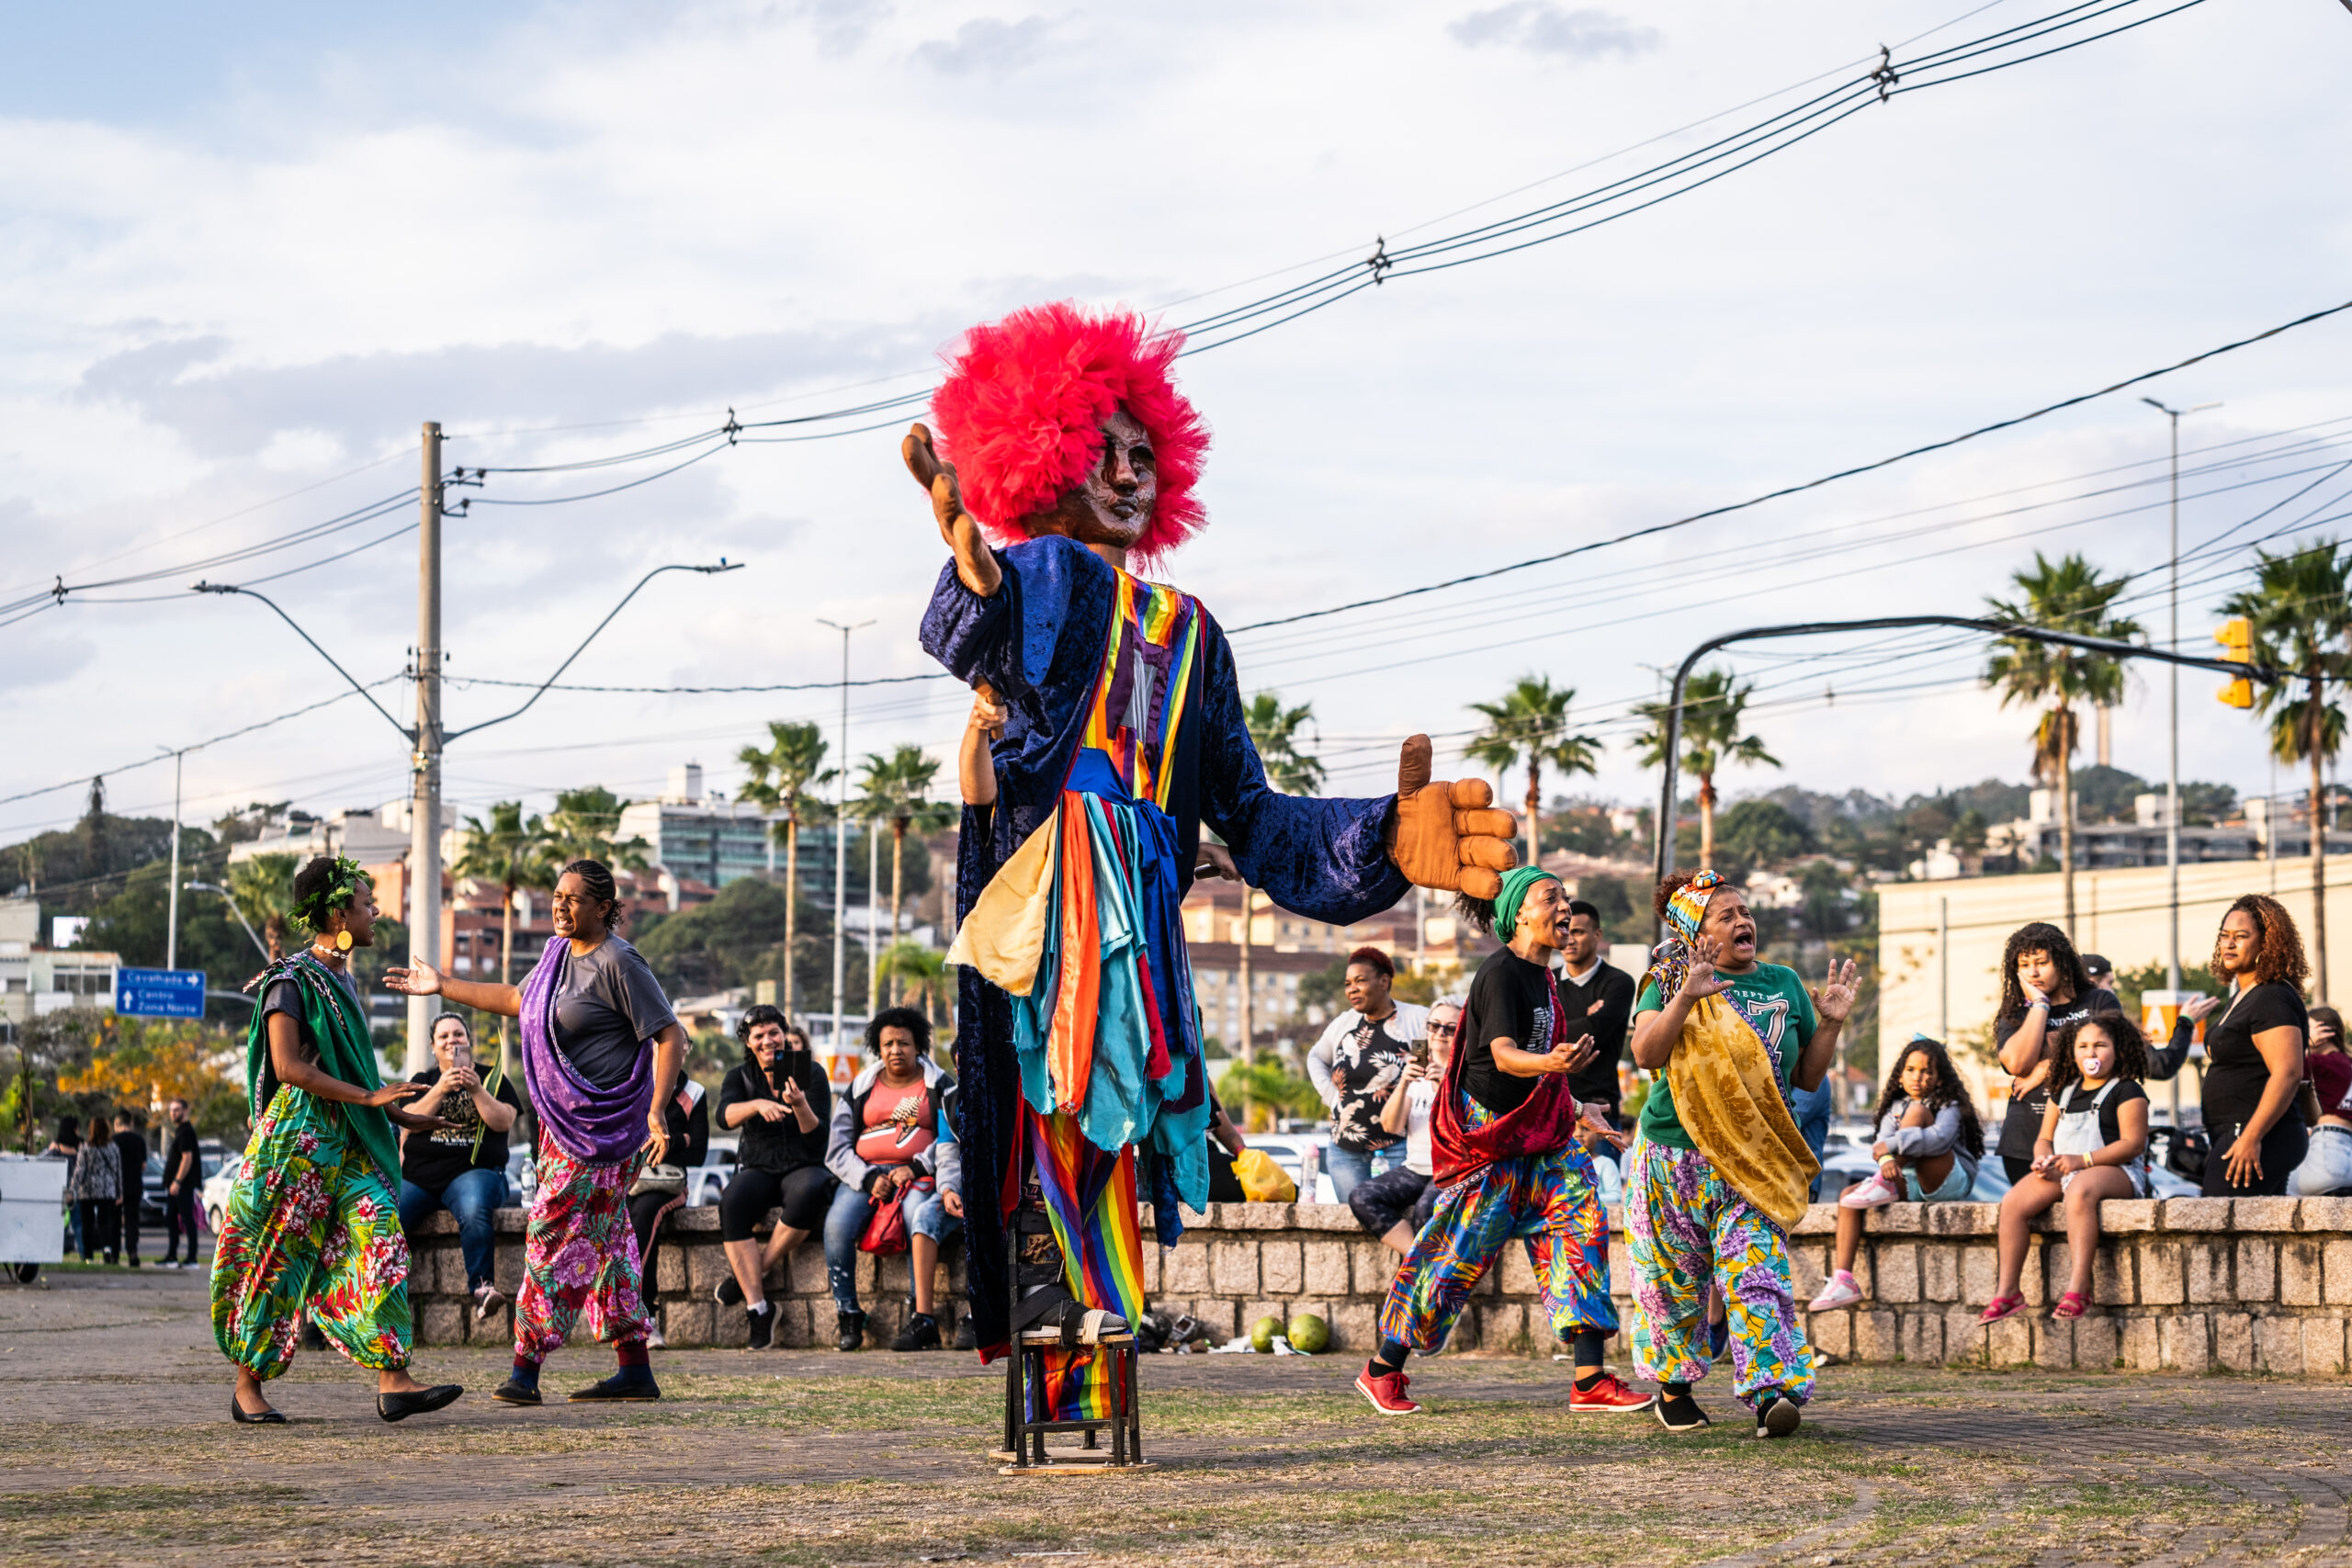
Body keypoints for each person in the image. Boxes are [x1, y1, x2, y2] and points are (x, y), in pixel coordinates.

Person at [913, 301, 1515, 1392]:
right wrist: (975, 570)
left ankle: (1092, 1373)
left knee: (1116, 1122)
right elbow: (982, 626)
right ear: (1044, 453)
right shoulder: (1049, 566)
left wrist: (1382, 835)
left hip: (1142, 925)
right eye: (1109, 449)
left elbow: (1255, 818)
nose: (1134, 472)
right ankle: (1064, 1376)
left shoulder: (1192, 629)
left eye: (1149, 454)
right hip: (1054, 903)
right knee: (1056, 1111)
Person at [387, 857, 690, 1405]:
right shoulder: (555, 956)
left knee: (550, 1238)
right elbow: (514, 1000)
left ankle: (525, 1370)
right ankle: (635, 1368)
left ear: (604, 908)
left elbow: (672, 1037)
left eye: (573, 898)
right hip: (562, 1129)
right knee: (610, 1245)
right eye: (556, 895)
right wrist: (441, 985)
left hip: (602, 1134)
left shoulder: (620, 961)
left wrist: (657, 1109)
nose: (560, 905)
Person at [1355, 869, 1651, 1417]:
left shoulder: (1546, 979)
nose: (1564, 907)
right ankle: (1382, 1369)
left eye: (1565, 898)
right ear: (1518, 914)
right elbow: (1506, 1053)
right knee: (1454, 1253)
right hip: (1490, 1136)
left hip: (1541, 1132)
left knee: (1580, 1224)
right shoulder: (1501, 974)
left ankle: (1590, 1377)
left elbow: (1540, 1068)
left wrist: (1575, 1105)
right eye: (1551, 898)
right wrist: (1550, 1063)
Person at [211, 854, 463, 1424]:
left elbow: (355, 1076)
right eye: (366, 902)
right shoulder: (291, 980)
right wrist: (371, 1100)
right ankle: (248, 1387)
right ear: (337, 913)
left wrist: (402, 1116)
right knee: (280, 1256)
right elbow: (289, 1068)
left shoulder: (343, 977)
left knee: (381, 1233)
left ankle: (393, 1379)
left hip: (347, 1140)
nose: (376, 910)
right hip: (298, 1141)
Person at [1625, 869, 1859, 1438]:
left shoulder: (1782, 982)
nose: (1742, 921)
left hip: (1752, 1160)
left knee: (1757, 1273)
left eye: (1744, 912)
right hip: (1672, 1156)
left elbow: (1805, 1078)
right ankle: (1674, 1389)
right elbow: (1646, 1053)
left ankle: (1771, 1392)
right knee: (1671, 1282)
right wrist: (1686, 994)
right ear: (1694, 932)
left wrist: (1829, 1024)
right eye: (1724, 915)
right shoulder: (1667, 979)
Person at [1980, 1013, 2152, 1322]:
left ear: (2119, 1050)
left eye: (2100, 1045)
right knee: (2013, 1202)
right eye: (2083, 1046)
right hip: (2067, 1168)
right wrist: (2043, 1159)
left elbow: (2132, 1144)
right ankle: (2008, 1291)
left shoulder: (2127, 1090)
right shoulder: (2063, 1091)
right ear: (2071, 1052)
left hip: (2117, 1171)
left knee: (2079, 1188)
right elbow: (2044, 1138)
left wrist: (2082, 1161)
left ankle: (2079, 1286)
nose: (2091, 1053)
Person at [1808, 1035, 1984, 1311]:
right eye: (1911, 1070)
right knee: (1846, 1196)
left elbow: (1938, 1140)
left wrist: (1887, 1151)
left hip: (1949, 1178)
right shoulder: (1894, 1109)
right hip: (1911, 1182)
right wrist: (1887, 1158)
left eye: (1928, 1071)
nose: (1919, 1077)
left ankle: (1882, 1183)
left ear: (1940, 1078)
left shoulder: (1947, 1105)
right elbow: (1881, 1146)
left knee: (1917, 1112)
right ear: (1900, 1075)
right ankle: (1844, 1280)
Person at [823, 1007, 964, 1352]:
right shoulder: (859, 1088)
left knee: (917, 1215)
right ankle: (849, 1312)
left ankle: (919, 1314)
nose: (896, 1050)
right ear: (878, 1048)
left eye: (904, 1043)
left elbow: (949, 1138)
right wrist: (868, 1176)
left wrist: (915, 1167)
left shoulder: (940, 1085)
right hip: (865, 1177)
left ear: (919, 1047)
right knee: (836, 1226)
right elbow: (837, 1147)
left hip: (918, 1177)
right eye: (888, 1044)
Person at [714, 1005, 833, 1349]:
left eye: (774, 1033)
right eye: (759, 1035)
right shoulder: (740, 1076)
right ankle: (759, 1309)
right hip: (759, 1166)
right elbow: (725, 1117)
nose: (768, 1041)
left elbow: (817, 1136)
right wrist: (755, 1105)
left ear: (784, 1034)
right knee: (732, 1202)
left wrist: (799, 1103)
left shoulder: (809, 1072)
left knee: (811, 1190)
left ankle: (751, 1274)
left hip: (802, 1163)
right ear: (749, 1042)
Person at [396, 1013, 523, 1322]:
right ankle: (381, 1292)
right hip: (421, 1176)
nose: (452, 1041)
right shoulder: (423, 1081)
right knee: (388, 1215)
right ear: (433, 1047)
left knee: (473, 1205)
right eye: (444, 1037)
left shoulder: (493, 1079)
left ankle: (482, 1288)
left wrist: (477, 1090)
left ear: (469, 1042)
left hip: (475, 1172)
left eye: (458, 1035)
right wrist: (439, 1089)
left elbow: (504, 1120)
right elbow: (407, 1121)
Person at [2198, 893, 2311, 1198]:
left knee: (2213, 1223)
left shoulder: (2272, 996)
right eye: (2224, 936)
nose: (2229, 944)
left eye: (2241, 936)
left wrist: (2251, 1136)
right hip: (2234, 1131)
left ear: (2267, 943)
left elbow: (2287, 1073)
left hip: (2257, 1133)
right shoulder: (2244, 993)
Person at [1990, 923, 2118, 1184]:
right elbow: (2016, 1063)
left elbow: (2109, 1056)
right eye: (2024, 965)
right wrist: (2039, 1004)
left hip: (2084, 1139)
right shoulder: (2015, 1012)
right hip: (2025, 1141)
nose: (2033, 972)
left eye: (2041, 962)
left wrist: (2045, 1068)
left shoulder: (2098, 1001)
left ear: (2062, 961)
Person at [1306, 948, 1431, 1202]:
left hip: (1399, 1148)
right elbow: (1316, 1057)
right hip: (1344, 1151)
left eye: (1360, 981)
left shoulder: (1416, 1020)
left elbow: (1425, 1070)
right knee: (1355, 1222)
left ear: (1384, 982)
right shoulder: (1344, 1023)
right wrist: (1331, 1097)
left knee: (1394, 1218)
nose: (1351, 989)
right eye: (1347, 984)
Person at [1348, 996, 1460, 1253]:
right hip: (1415, 1168)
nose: (1440, 1033)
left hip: (1452, 1170)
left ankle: (1418, 1276)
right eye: (1434, 1026)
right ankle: (1418, 1263)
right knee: (1362, 1196)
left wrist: (1446, 1086)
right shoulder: (1416, 1072)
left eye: (1450, 1028)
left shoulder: (1468, 1075)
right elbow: (1390, 1126)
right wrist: (1404, 1084)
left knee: (1426, 1208)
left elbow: (1467, 1128)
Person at [632, 1064, 710, 1350]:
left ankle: (643, 1313)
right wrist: (681, 1139)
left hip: (670, 1183)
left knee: (646, 1214)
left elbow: (699, 1152)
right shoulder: (633, 1082)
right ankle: (630, 1311)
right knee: (628, 1216)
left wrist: (666, 1141)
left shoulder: (694, 1092)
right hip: (631, 1181)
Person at [1557, 899, 1637, 1126]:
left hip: (1600, 1109)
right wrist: (1586, 1018)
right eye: (1564, 929)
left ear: (1597, 934)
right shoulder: (1546, 980)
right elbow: (1528, 1035)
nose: (1570, 938)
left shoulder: (1618, 982)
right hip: (1554, 1107)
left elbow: (1594, 1032)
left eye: (1578, 932)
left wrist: (1554, 1028)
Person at [2292, 1005, 2352, 1197]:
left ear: (2324, 1032)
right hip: (2347, 1153)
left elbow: (2284, 1069)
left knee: (2275, 1187)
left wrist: (2305, 1045)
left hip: (2327, 1152)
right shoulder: (2347, 1063)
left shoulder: (2318, 1064)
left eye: (2306, 1029)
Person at [70, 1112, 121, 1265]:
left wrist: (73, 1189)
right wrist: (119, 1192)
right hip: (107, 1190)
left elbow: (79, 1170)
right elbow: (117, 1171)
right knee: (105, 1222)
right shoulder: (113, 1147)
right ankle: (107, 1249)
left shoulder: (86, 1148)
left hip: (88, 1190)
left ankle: (88, 1256)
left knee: (88, 1224)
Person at [159, 1097, 203, 1269]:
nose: (173, 1113)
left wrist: (177, 1181)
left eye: (176, 1109)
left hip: (182, 1185)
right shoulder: (180, 1131)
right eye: (171, 1110)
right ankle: (172, 1256)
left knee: (187, 1220)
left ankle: (191, 1258)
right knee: (172, 1220)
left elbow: (187, 1158)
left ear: (185, 1111)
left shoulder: (185, 1132)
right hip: (175, 1186)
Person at [45, 1115, 85, 1257]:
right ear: (74, 1129)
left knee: (57, 1225)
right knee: (79, 1225)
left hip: (58, 1192)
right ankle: (84, 1255)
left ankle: (52, 1253)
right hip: (77, 1192)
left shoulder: (55, 1149)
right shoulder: (81, 1147)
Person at [112, 1111, 147, 1268]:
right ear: (131, 1123)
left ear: (116, 1124)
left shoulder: (113, 1141)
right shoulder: (139, 1141)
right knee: (132, 1221)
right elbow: (143, 1165)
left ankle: (114, 1254)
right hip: (134, 1185)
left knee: (114, 1221)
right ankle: (132, 1252)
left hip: (115, 1187)